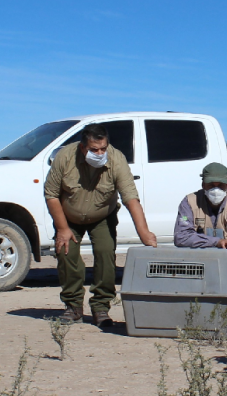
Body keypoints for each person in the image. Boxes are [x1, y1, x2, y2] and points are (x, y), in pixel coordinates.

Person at [44, 123, 157, 327]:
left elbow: (130, 197)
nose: (99, 153)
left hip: (103, 215)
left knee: (106, 253)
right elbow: (51, 194)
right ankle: (73, 306)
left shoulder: (116, 159)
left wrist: (144, 233)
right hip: (68, 216)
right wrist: (62, 229)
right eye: (94, 149)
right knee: (66, 253)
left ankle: (101, 307)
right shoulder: (65, 158)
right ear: (82, 147)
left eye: (103, 149)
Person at [174, 162, 227, 259]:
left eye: (220, 185)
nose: (216, 190)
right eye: (211, 185)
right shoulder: (189, 203)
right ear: (203, 185)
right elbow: (181, 236)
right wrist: (217, 242)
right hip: (199, 258)